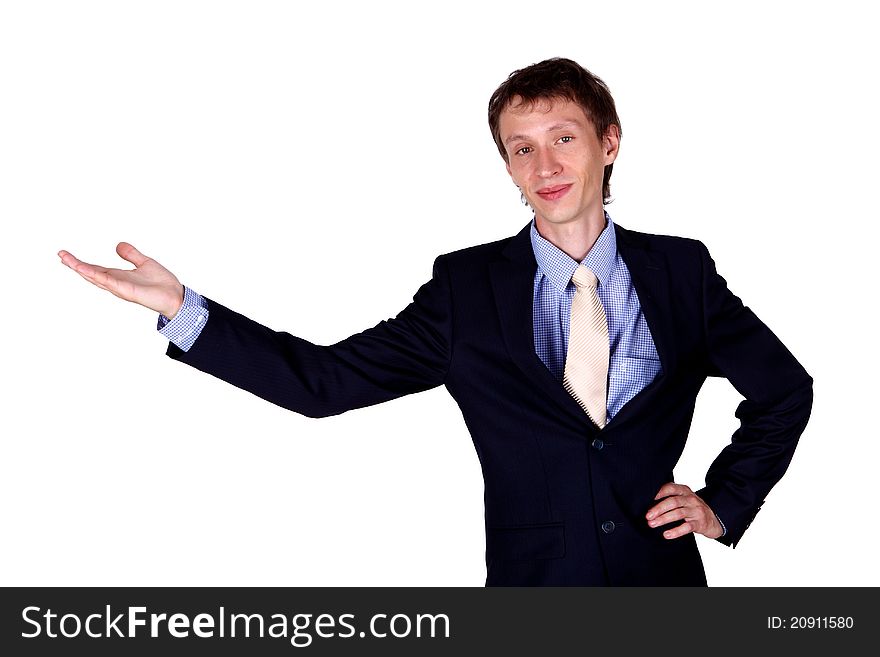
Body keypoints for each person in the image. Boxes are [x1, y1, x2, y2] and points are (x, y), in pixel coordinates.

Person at [58, 57, 812, 586]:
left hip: (665, 590)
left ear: (608, 142)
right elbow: (323, 382)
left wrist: (724, 500)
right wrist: (182, 308)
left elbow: (785, 390)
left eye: (563, 138)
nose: (544, 163)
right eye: (522, 148)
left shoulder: (681, 271)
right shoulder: (466, 289)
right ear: (509, 168)